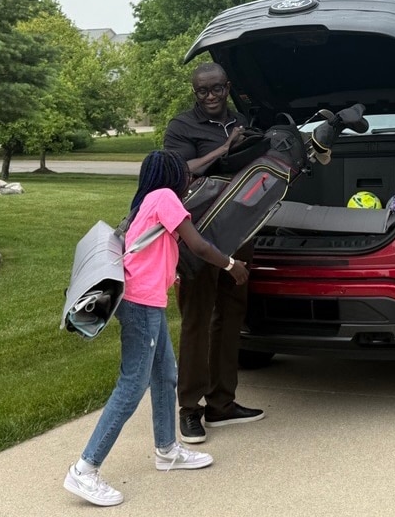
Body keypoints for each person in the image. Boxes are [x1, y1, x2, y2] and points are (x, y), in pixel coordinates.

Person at [64, 150, 249, 507]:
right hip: (140, 305)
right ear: (173, 177)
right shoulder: (164, 198)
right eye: (185, 173)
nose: (189, 178)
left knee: (165, 375)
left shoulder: (149, 199)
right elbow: (197, 244)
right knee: (132, 385)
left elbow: (161, 248)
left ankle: (167, 450)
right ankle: (85, 469)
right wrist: (230, 265)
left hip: (145, 301)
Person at [163, 62, 265, 444]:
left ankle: (222, 404)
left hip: (240, 228)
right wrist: (225, 148)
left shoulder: (242, 120)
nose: (209, 97)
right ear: (195, 93)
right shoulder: (181, 127)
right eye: (202, 91)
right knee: (197, 319)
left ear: (227, 87)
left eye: (216, 89)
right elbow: (182, 170)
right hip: (198, 233)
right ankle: (190, 409)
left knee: (231, 314)